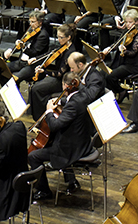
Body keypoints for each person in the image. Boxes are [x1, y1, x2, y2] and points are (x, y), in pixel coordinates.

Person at [29, 69, 97, 201]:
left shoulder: (73, 106)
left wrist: (49, 112)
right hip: (84, 142)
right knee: (59, 137)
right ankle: (72, 181)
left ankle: (44, 191)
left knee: (33, 156)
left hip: (72, 149)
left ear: (65, 85)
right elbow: (72, 100)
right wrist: (60, 102)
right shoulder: (83, 96)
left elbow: (54, 125)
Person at [28, 24, 77, 119]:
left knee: (36, 89)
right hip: (57, 77)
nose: (59, 39)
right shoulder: (63, 46)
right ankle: (38, 114)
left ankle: (40, 117)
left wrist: (45, 72)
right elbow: (49, 54)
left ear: (69, 37)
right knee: (35, 86)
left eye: (61, 37)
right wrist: (36, 58)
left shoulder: (70, 52)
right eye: (57, 37)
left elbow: (60, 74)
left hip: (63, 81)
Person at [104, 9, 138, 101]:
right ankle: (113, 94)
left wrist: (125, 51)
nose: (128, 24)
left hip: (133, 65)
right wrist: (109, 48)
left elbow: (133, 53)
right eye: (126, 22)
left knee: (110, 76)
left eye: (130, 22)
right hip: (123, 62)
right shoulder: (127, 32)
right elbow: (118, 43)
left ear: (136, 22)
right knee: (104, 72)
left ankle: (121, 91)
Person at [5, 10, 51, 84]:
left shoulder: (43, 35)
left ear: (40, 22)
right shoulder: (31, 30)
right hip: (21, 62)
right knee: (3, 70)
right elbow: (22, 42)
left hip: (32, 65)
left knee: (15, 78)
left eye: (33, 22)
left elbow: (34, 53)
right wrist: (11, 50)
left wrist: (23, 47)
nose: (30, 24)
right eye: (30, 21)